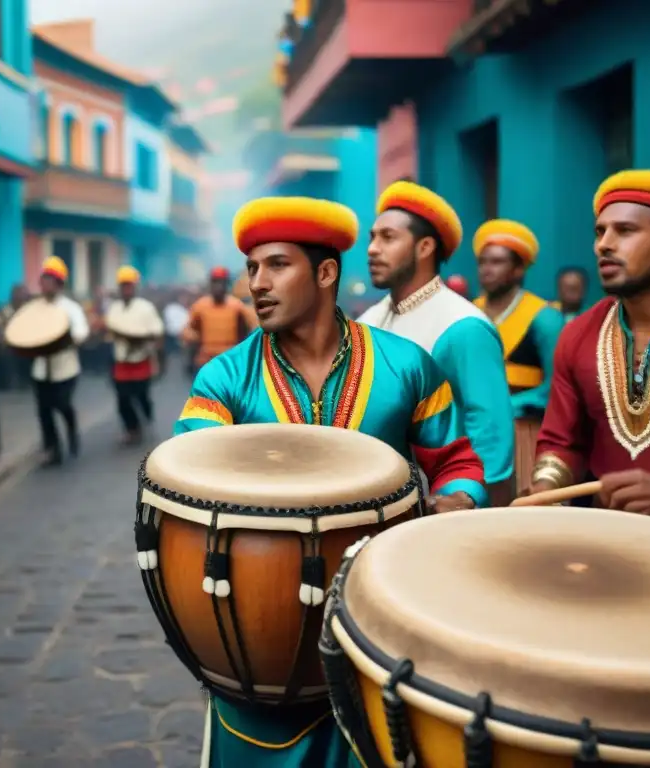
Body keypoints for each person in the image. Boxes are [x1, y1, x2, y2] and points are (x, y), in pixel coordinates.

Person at [175, 197, 486, 767]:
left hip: (381, 616)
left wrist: (458, 497)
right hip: (262, 627)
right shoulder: (223, 377)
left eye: (276, 265)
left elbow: (458, 461)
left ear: (325, 273)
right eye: (251, 269)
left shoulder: (407, 366)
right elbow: (193, 469)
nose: (257, 284)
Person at [531, 169, 650, 517]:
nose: (604, 245)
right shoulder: (578, 334)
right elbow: (562, 442)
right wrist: (545, 490)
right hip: (607, 536)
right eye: (600, 232)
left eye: (625, 231)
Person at [359, 181, 515, 504]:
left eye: (388, 237)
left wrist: (464, 498)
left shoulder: (462, 326)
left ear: (425, 247)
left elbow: (490, 435)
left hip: (437, 512)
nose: (372, 248)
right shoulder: (367, 321)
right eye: (372, 237)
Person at [472, 219, 564, 494]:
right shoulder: (469, 313)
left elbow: (557, 385)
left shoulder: (544, 317)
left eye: (497, 262)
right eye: (483, 261)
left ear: (518, 269)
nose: (487, 269)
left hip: (525, 431)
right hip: (475, 432)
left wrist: (504, 407)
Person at [32, 256, 89, 467]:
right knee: (44, 410)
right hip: (40, 369)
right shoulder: (35, 308)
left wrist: (63, 340)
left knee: (63, 404)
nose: (45, 285)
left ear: (59, 284)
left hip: (65, 368)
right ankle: (52, 449)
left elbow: (81, 332)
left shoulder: (70, 308)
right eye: (43, 280)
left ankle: (72, 432)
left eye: (50, 280)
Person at [106, 265, 164, 444]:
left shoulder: (145, 307)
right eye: (123, 286)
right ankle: (132, 428)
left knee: (141, 396)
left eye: (129, 286)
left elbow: (157, 330)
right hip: (121, 360)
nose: (126, 289)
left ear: (135, 287)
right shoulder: (114, 308)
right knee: (122, 399)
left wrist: (141, 339)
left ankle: (147, 417)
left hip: (141, 359)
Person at [182, 266, 258, 373]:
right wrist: (191, 336)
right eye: (215, 282)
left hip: (230, 360)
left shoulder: (237, 306)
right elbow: (188, 329)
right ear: (210, 284)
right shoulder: (200, 306)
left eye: (222, 283)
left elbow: (253, 328)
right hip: (206, 360)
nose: (219, 286)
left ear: (227, 284)